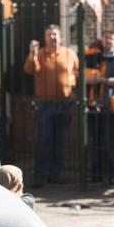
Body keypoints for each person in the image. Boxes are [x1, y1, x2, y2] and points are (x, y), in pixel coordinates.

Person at [24, 24, 79, 187]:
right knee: (44, 139)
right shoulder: (40, 54)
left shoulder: (70, 54)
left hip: (64, 103)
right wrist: (32, 54)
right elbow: (29, 70)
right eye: (49, 35)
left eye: (55, 34)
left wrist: (74, 90)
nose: (52, 37)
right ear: (45, 37)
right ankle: (40, 174)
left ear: (60, 37)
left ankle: (56, 173)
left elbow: (77, 73)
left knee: (60, 140)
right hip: (45, 104)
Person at [87, 29, 114, 185]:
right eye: (106, 38)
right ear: (102, 40)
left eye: (111, 38)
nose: (108, 40)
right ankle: (96, 175)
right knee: (94, 141)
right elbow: (86, 76)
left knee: (110, 141)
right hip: (92, 104)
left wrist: (102, 80)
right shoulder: (93, 57)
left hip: (109, 106)